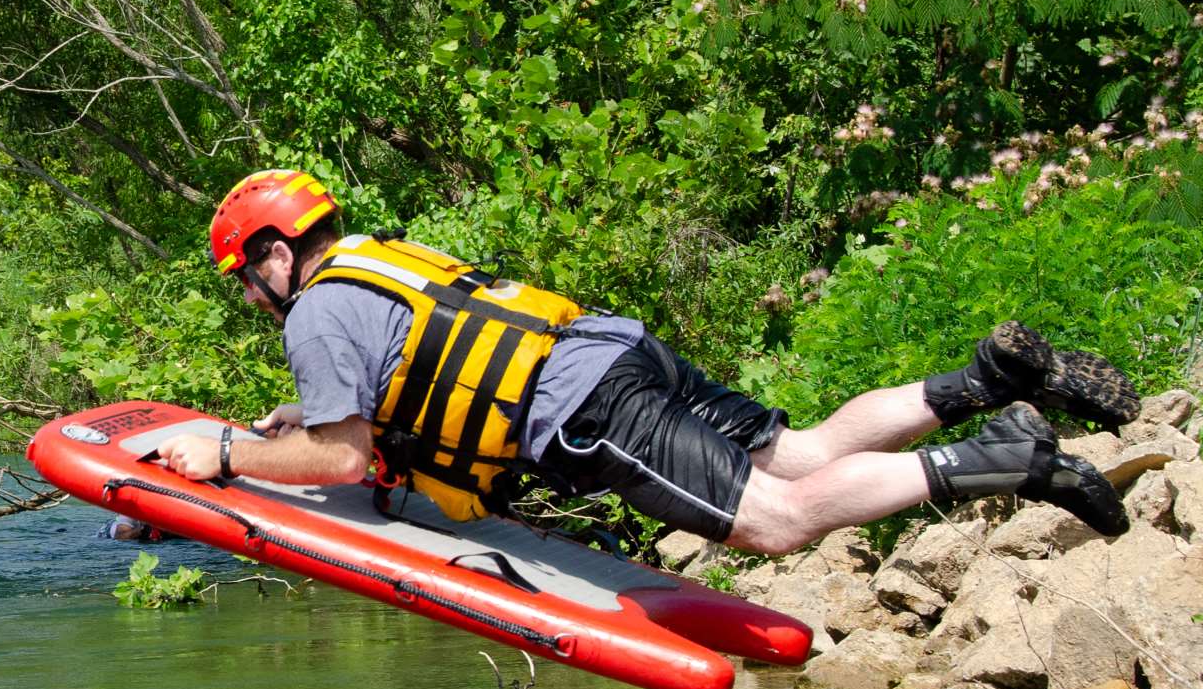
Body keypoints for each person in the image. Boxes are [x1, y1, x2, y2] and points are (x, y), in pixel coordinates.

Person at [154, 169, 1136, 556]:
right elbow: (390, 377)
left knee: (780, 522)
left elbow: (342, 461)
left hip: (583, 411)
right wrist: (300, 414)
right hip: (616, 347)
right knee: (804, 448)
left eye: (246, 272)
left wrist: (228, 458)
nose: (251, 293)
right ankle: (984, 384)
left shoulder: (312, 312)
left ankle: (1014, 456)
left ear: (278, 254)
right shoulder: (376, 258)